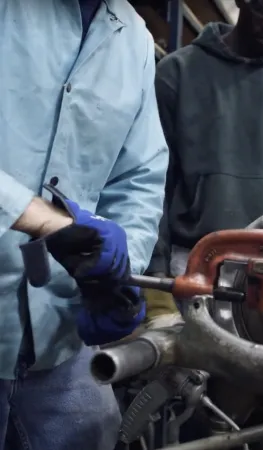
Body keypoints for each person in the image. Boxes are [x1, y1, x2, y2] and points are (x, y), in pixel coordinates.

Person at [0, 1, 168, 449]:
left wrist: (116, 270)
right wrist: (42, 220)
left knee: (95, 431)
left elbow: (138, 176)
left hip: (56, 329)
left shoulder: (131, 37)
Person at [144, 0, 263, 325]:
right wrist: (155, 276)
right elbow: (151, 182)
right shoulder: (177, 74)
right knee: (187, 375)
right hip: (190, 265)